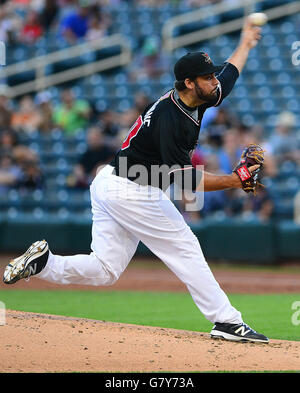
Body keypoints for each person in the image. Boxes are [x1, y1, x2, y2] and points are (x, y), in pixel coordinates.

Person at [3, 18, 269, 343]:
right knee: (185, 247)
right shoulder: (173, 121)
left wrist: (245, 42)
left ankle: (44, 263)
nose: (215, 82)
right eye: (207, 77)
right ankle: (227, 321)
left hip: (112, 183)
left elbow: (230, 74)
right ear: (188, 82)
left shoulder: (196, 97)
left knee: (105, 270)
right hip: (134, 189)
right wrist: (234, 179)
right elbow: (185, 181)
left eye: (212, 76)